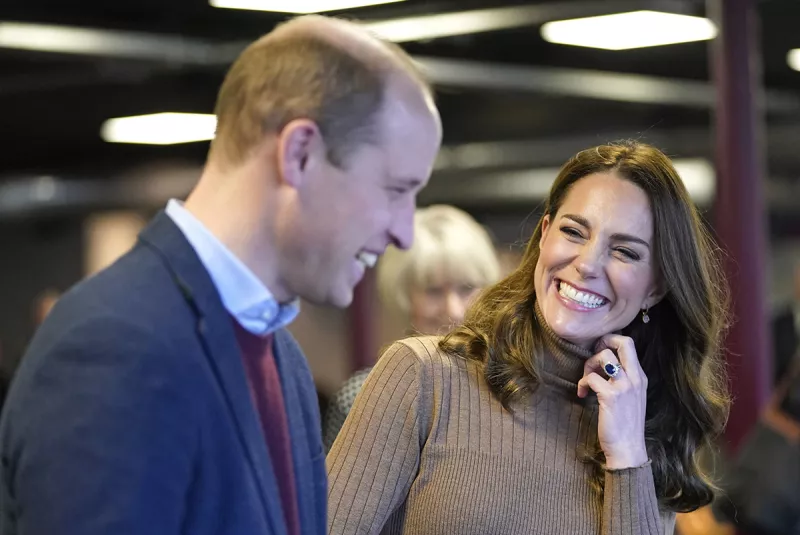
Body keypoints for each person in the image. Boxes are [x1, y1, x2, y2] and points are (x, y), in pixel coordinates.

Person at [0, 15, 441, 535]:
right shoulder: (118, 345)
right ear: (299, 154)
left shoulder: (283, 359)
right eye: (395, 190)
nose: (404, 232)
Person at [327, 140, 730, 535]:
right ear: (544, 235)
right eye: (574, 231)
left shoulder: (647, 432)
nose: (587, 264)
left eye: (625, 251)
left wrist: (627, 455)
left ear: (656, 287)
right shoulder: (424, 375)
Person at [322, 204, 501, 451]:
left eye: (466, 288)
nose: (453, 310)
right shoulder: (363, 395)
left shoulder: (509, 387)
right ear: (403, 295)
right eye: (433, 291)